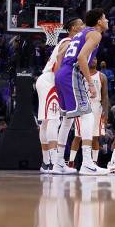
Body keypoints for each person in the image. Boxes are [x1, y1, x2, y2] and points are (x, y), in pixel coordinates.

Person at [53, 9, 109, 175]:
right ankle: (87, 163)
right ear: (99, 21)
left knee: (67, 120)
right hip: (71, 74)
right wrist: (91, 84)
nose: (107, 21)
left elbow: (61, 55)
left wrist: (61, 75)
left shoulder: (80, 33)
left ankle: (58, 164)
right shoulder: (95, 34)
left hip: (62, 74)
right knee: (87, 115)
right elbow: (81, 58)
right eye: (105, 18)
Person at [36, 17, 84, 173]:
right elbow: (58, 59)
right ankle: (55, 162)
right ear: (73, 28)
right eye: (81, 24)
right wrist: (59, 82)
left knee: (46, 122)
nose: (83, 26)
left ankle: (46, 163)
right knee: (54, 120)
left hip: (46, 79)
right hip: (51, 80)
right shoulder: (69, 41)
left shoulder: (69, 41)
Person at [68, 58, 109, 168]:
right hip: (82, 105)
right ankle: (71, 162)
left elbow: (105, 96)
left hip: (96, 106)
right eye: (92, 58)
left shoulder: (102, 76)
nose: (94, 60)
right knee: (78, 136)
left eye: (96, 58)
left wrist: (106, 112)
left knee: (95, 137)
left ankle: (94, 162)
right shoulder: (80, 74)